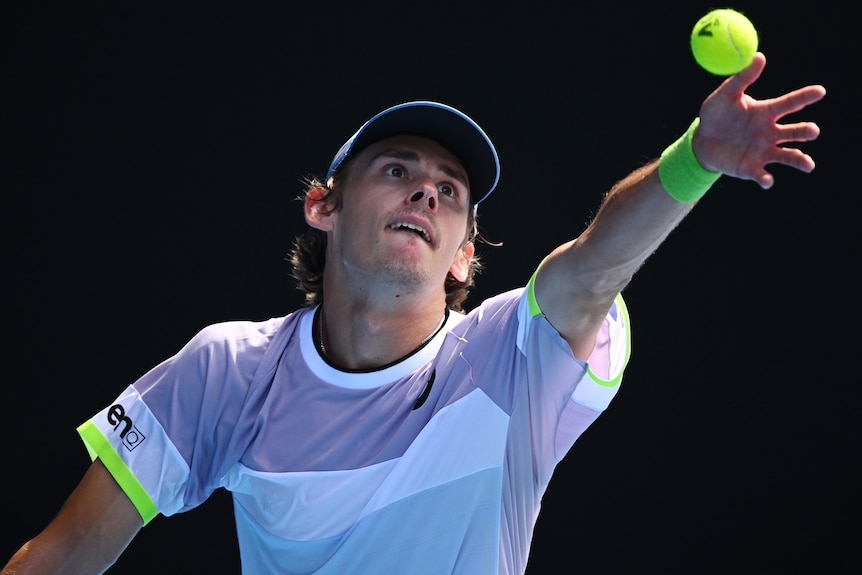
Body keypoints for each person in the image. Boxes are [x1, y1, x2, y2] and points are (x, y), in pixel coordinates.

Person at [3, 52, 825, 575]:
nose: (426, 190)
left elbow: (594, 263)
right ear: (323, 207)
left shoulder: (512, 355)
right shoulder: (227, 370)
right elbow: (67, 553)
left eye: (450, 191)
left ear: (466, 253)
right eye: (397, 171)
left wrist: (697, 160)